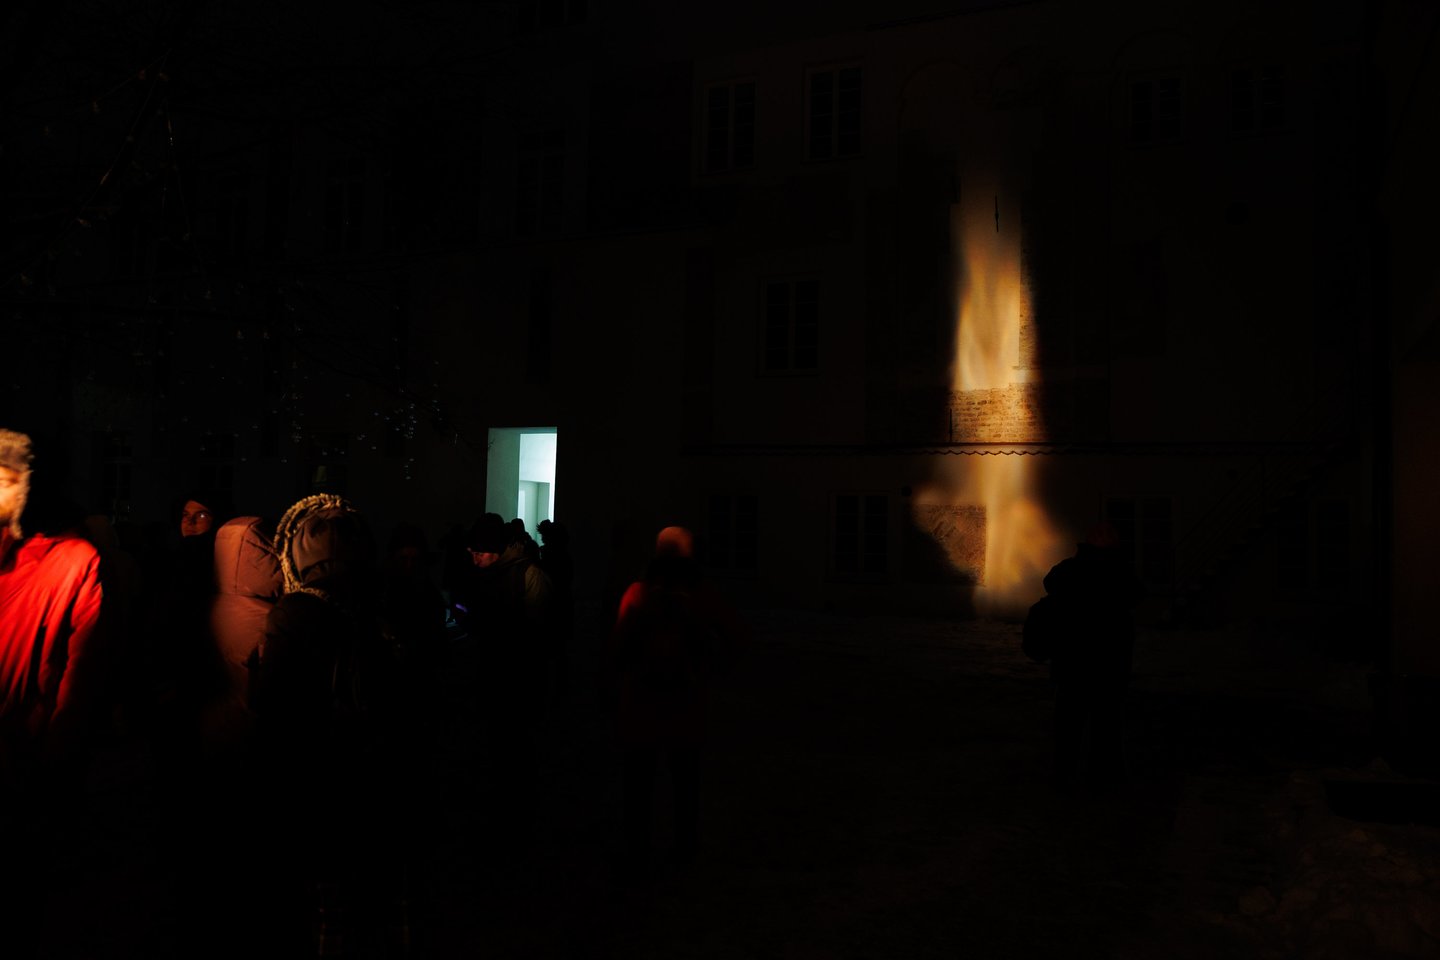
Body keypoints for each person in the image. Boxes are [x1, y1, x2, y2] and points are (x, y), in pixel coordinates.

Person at [249, 493, 411, 958]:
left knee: (326, 889)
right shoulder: (381, 601)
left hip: (317, 768)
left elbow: (274, 701)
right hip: (379, 763)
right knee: (375, 882)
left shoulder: (295, 611)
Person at [0, 429, 106, 958]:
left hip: (23, 760)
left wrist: (53, 754)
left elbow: (80, 670)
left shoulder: (73, 561)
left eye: (5, 479)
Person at [610, 525, 748, 883]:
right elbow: (736, 639)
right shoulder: (702, 595)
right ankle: (684, 850)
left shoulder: (638, 592)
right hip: (685, 705)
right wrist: (711, 670)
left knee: (639, 784)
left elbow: (617, 648)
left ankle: (638, 849)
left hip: (640, 706)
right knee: (685, 784)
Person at [1040, 520, 1145, 792]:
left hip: (1073, 662)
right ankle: (1100, 777)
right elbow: (1135, 595)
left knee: (1071, 724)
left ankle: (1066, 776)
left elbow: (1050, 583)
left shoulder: (1070, 569)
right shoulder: (1118, 572)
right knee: (1104, 725)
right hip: (1106, 664)